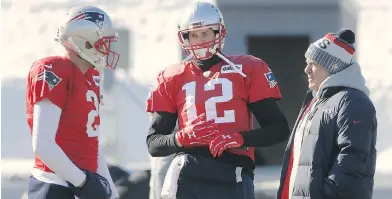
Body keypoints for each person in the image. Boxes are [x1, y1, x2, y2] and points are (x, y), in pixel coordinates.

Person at [145, 2, 290, 199]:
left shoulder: (247, 68)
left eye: (206, 33)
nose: (200, 41)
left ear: (218, 33)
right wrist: (181, 138)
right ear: (184, 37)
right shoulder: (171, 77)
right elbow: (154, 144)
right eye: (194, 35)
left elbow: (279, 129)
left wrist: (240, 138)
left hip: (233, 169)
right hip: (189, 171)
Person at [25, 5, 120, 199]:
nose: (107, 49)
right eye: (102, 42)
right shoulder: (54, 69)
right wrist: (83, 183)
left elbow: (89, 142)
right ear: (83, 42)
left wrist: (110, 191)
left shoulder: (90, 75)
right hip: (55, 185)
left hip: (82, 183)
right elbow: (43, 145)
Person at [277, 29, 377, 199]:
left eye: (314, 63)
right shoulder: (315, 101)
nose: (307, 70)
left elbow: (352, 162)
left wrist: (327, 193)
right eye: (307, 62)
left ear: (334, 67)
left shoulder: (353, 101)